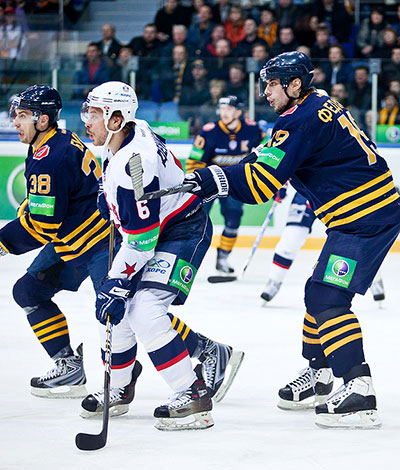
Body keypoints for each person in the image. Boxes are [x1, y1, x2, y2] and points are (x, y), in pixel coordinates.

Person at [184, 51, 400, 428]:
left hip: (364, 219)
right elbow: (269, 156)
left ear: (295, 84)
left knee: (327, 297)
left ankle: (359, 391)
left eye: (273, 84)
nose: (266, 92)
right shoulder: (315, 103)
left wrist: (215, 178)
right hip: (365, 213)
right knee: (316, 291)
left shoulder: (299, 120)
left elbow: (260, 184)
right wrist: (230, 170)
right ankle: (319, 376)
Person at [81, 81, 244, 430]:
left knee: (143, 307)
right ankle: (119, 386)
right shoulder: (131, 128)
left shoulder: (133, 165)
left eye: (93, 114)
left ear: (115, 119)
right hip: (161, 225)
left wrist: (118, 281)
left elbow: (142, 240)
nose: (86, 121)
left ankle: (192, 393)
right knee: (116, 309)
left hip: (183, 230)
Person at [2, 85, 110, 398]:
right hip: (73, 242)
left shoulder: (50, 157)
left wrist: (3, 242)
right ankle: (68, 365)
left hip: (102, 245)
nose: (15, 121)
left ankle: (205, 351)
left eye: (23, 115)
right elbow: (49, 206)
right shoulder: (53, 141)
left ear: (43, 119)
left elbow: (42, 227)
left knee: (127, 314)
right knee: (28, 291)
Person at [186, 96, 265, 276]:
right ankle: (189, 258)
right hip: (209, 184)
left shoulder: (252, 129)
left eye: (229, 109)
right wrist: (195, 185)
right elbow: (194, 161)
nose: (224, 113)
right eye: (222, 109)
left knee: (233, 221)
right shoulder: (209, 131)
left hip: (235, 182)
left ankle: (223, 258)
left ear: (238, 112)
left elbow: (268, 150)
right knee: (196, 222)